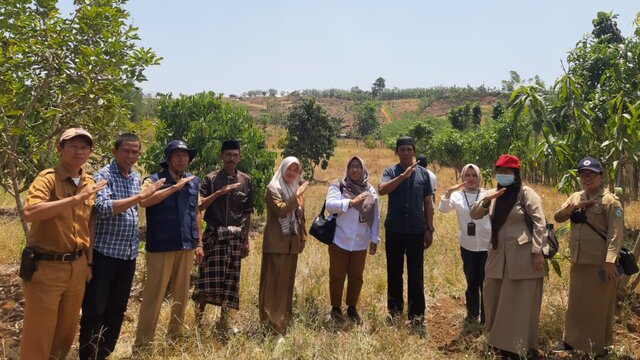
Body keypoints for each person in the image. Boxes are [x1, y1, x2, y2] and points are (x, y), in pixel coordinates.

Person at [20, 128, 107, 360]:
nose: (79, 151)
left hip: (77, 266)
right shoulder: (48, 178)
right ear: (60, 149)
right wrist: (77, 197)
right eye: (73, 146)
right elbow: (30, 212)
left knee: (65, 332)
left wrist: (88, 263)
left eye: (84, 147)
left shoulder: (89, 181)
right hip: (47, 266)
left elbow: (89, 222)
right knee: (39, 334)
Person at [78, 133, 165, 360]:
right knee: (95, 309)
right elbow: (104, 208)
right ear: (115, 151)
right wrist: (140, 196)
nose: (130, 155)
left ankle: (104, 353)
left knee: (117, 309)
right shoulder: (104, 176)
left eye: (135, 152)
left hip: (127, 255)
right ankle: (88, 355)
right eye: (126, 150)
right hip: (104, 254)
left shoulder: (135, 178)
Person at [469, 154, 547, 359]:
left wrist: (538, 251)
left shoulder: (526, 193)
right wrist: (487, 200)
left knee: (519, 302)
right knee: (492, 296)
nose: (503, 175)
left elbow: (540, 223)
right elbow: (474, 214)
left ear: (516, 174)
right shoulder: (493, 193)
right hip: (497, 256)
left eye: (508, 172)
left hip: (522, 258)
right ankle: (496, 341)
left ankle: (519, 345)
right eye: (500, 171)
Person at [133, 140, 205, 348]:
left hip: (186, 245)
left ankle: (174, 340)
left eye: (185, 155)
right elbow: (144, 201)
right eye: (178, 155)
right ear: (168, 159)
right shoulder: (153, 180)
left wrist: (199, 242)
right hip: (161, 246)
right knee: (154, 296)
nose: (183, 159)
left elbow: (196, 213)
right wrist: (173, 189)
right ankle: (143, 344)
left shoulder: (193, 181)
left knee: (181, 296)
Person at [552, 157, 624, 356]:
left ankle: (596, 347)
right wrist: (575, 206)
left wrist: (610, 261)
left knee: (597, 307)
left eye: (592, 174)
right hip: (578, 261)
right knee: (575, 304)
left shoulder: (610, 201)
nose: (587, 178)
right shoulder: (575, 196)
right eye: (584, 175)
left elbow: (615, 234)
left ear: (601, 176)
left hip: (600, 265)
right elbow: (558, 217)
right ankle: (571, 341)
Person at [193, 140, 254, 332]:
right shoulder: (210, 179)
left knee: (230, 282)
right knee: (205, 282)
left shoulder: (246, 180)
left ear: (239, 157)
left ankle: (223, 322)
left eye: (235, 155)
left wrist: (246, 240)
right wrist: (219, 193)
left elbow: (247, 213)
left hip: (235, 239)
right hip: (213, 236)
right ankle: (198, 322)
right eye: (228, 155)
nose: (232, 159)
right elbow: (200, 206)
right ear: (221, 156)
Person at [378, 137, 434, 332]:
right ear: (397, 152)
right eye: (402, 149)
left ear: (414, 151)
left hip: (416, 231)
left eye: (409, 149)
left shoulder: (424, 175)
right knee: (394, 272)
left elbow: (428, 202)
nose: (406, 153)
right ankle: (394, 311)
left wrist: (429, 229)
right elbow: (382, 190)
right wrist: (403, 176)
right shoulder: (390, 172)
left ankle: (416, 315)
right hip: (394, 230)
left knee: (416, 274)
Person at [325, 156, 380, 324]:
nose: (355, 169)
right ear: (347, 169)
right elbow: (330, 205)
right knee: (337, 275)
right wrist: (351, 202)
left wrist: (374, 238)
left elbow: (375, 215)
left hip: (360, 242)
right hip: (339, 239)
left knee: (356, 276)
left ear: (363, 169)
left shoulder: (370, 190)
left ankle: (352, 308)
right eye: (352, 166)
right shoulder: (338, 186)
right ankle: (335, 308)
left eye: (358, 166)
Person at [259, 156, 309, 335]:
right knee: (273, 283)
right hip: (276, 244)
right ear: (282, 169)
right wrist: (297, 195)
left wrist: (302, 239)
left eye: (296, 170)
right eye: (289, 169)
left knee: (286, 284)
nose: (292, 173)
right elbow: (281, 210)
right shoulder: (273, 189)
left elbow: (301, 218)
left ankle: (282, 321)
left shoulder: (296, 189)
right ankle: (270, 323)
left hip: (291, 245)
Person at [438, 163, 491, 324]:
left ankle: (487, 317)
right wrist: (448, 193)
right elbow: (443, 209)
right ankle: (472, 315)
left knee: (486, 282)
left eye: (474, 175)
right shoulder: (457, 196)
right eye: (467, 175)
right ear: (462, 177)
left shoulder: (487, 194)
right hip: (467, 246)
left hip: (486, 245)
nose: (471, 179)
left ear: (480, 177)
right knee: (471, 280)